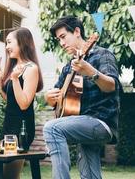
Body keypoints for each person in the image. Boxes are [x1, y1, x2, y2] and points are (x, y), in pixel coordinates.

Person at [43, 15, 121, 179]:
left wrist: (91, 72)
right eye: (58, 40)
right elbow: (56, 95)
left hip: (101, 121)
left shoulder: (102, 55)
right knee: (90, 175)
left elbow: (112, 86)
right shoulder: (68, 67)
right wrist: (49, 97)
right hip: (83, 125)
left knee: (52, 128)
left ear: (77, 31)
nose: (62, 43)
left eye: (63, 37)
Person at [0, 27, 43, 179]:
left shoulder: (31, 68)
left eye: (9, 42)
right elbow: (11, 101)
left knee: (9, 176)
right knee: (7, 175)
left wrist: (14, 79)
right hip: (9, 124)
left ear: (22, 43)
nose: (6, 47)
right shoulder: (14, 68)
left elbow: (24, 104)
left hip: (22, 128)